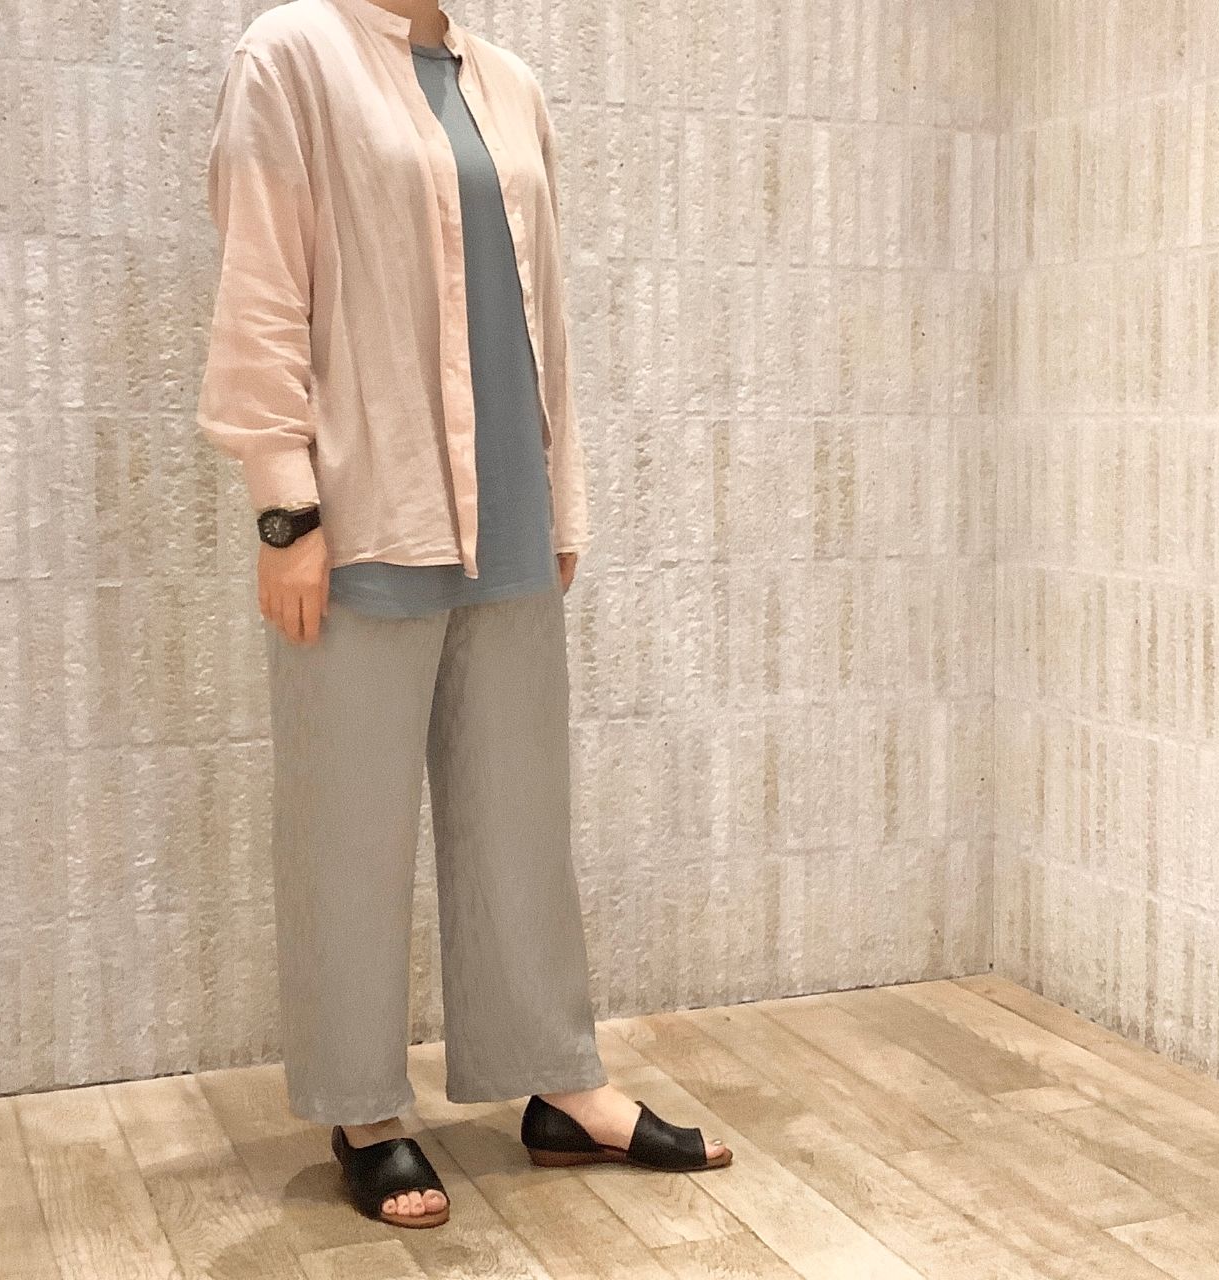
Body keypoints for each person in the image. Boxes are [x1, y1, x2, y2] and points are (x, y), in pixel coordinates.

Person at [197, 0, 732, 1230]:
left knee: (520, 815)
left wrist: (562, 496)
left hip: (509, 512)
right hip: (363, 508)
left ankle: (558, 1082)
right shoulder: (291, 57)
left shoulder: (508, 82)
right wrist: (282, 503)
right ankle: (362, 1106)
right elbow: (260, 286)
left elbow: (544, 315)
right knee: (349, 825)